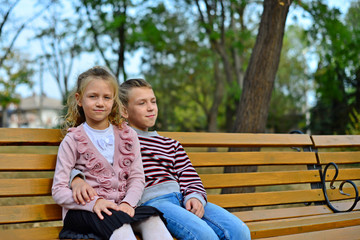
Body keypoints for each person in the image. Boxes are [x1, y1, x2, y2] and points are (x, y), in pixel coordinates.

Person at [71, 78, 251, 240]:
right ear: (124, 110)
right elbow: (86, 159)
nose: (150, 107)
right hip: (154, 203)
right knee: (204, 235)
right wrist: (77, 178)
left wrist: (195, 196)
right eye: (142, 103)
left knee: (240, 231)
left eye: (153, 101)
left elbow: (188, 174)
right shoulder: (117, 139)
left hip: (182, 198)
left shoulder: (170, 144)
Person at [51, 67, 172, 240]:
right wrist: (94, 203)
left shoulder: (128, 135)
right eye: (93, 96)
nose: (100, 103)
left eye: (107, 97)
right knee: (119, 225)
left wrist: (127, 203)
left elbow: (137, 178)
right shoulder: (73, 140)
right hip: (84, 211)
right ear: (79, 99)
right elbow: (58, 190)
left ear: (114, 100)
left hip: (119, 207)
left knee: (152, 218)